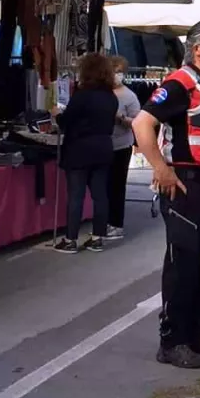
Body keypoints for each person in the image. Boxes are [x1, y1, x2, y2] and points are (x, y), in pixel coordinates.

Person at [131, 20, 200, 370]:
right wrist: (161, 168)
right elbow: (141, 123)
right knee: (183, 266)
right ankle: (172, 341)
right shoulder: (180, 84)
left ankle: (193, 332)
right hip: (185, 186)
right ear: (197, 49)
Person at [52, 53, 118, 254]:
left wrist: (57, 115)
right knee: (100, 195)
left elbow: (67, 122)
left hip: (79, 148)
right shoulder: (111, 97)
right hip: (104, 146)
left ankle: (70, 239)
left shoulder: (82, 95)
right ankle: (98, 237)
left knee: (76, 195)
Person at [106, 55, 141, 240]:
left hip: (121, 146)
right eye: (113, 71)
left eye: (119, 72)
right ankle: (104, 222)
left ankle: (116, 224)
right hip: (103, 145)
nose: (116, 75)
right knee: (103, 186)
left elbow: (138, 123)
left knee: (117, 186)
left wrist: (120, 118)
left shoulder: (129, 96)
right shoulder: (102, 92)